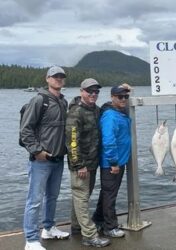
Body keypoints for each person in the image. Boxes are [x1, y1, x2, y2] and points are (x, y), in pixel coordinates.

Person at [20, 66, 70, 250]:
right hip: (41, 160)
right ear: (47, 79)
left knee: (52, 197)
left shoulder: (63, 102)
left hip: (58, 159)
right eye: (55, 76)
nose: (58, 79)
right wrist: (36, 151)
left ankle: (48, 229)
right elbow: (26, 130)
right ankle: (31, 239)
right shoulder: (39, 100)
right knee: (34, 200)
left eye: (61, 77)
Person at [65, 78, 110, 247]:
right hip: (82, 165)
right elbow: (72, 141)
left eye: (96, 91)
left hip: (92, 163)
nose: (93, 94)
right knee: (82, 197)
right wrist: (79, 165)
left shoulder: (96, 110)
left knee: (81, 197)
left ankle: (77, 227)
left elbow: (108, 107)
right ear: (81, 91)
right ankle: (89, 235)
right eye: (90, 91)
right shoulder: (76, 112)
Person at [92, 84, 132, 238]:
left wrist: (129, 88)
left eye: (126, 97)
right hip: (112, 163)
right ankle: (110, 227)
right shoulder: (110, 115)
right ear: (112, 97)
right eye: (120, 97)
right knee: (110, 195)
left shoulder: (119, 112)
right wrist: (114, 162)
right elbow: (108, 140)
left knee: (106, 193)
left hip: (118, 161)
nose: (123, 99)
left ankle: (98, 219)